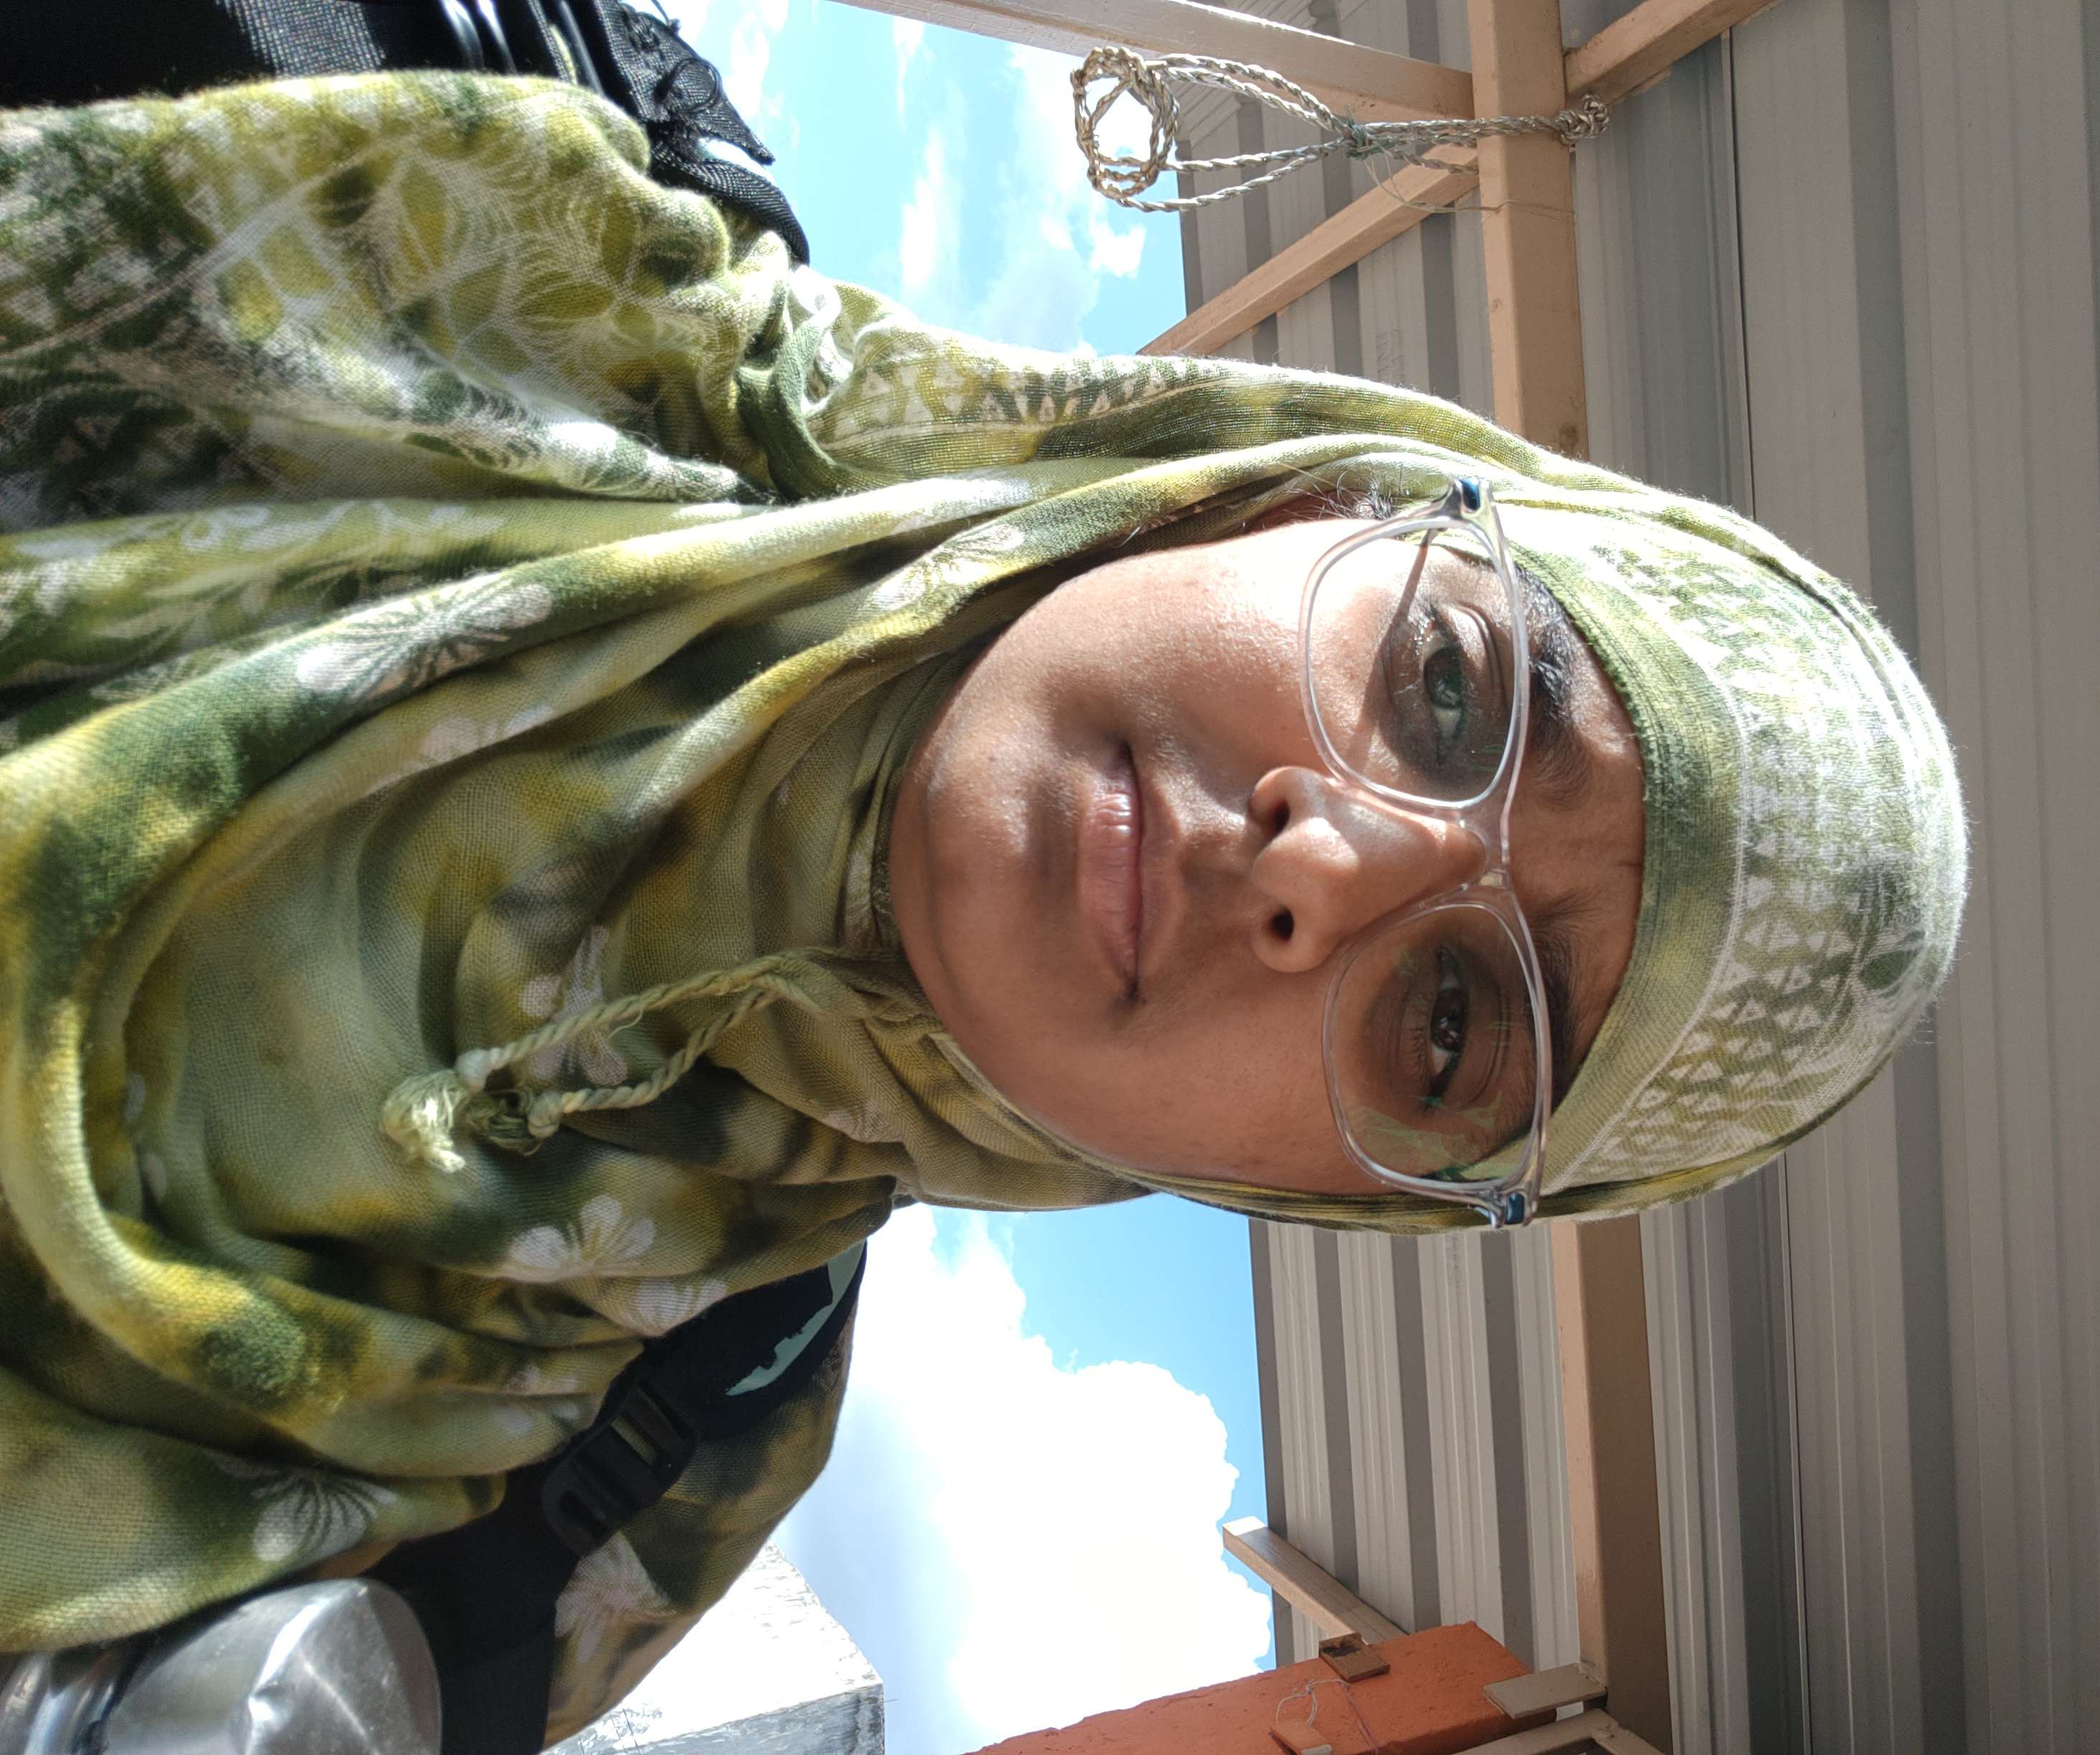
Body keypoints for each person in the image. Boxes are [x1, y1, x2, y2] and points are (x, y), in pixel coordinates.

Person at [0, 70, 1965, 1749]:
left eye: (1454, 1023)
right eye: (1451, 692)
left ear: (1326, 1191)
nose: (1320, 869)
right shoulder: (466, 229)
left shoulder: (632, 1477)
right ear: (1309, 501)